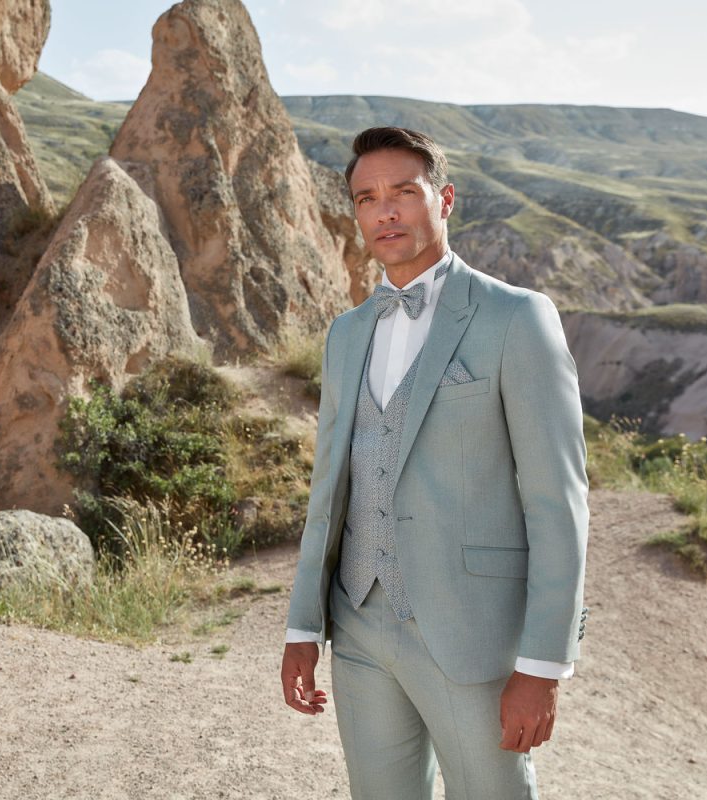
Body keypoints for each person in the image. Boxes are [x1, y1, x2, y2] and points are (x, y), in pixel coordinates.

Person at [280, 126, 589, 799]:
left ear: (443, 199)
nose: (384, 212)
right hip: (358, 627)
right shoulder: (346, 332)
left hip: (471, 633)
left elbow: (557, 504)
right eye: (367, 199)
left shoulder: (517, 318)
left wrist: (541, 666)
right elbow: (329, 491)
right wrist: (304, 627)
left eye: (403, 193)